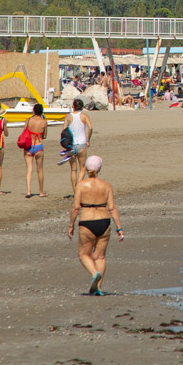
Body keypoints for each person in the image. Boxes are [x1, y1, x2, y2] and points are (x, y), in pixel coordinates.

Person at [68, 155, 123, 296]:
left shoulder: (81, 185)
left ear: (86, 168)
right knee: (100, 257)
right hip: (104, 221)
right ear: (100, 169)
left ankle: (94, 274)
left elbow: (75, 207)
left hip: (87, 221)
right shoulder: (107, 186)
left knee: (83, 254)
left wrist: (71, 225)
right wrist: (119, 228)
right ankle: (97, 288)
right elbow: (112, 208)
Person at [65, 98, 93, 189]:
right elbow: (90, 128)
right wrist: (88, 139)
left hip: (71, 144)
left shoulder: (68, 116)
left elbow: (64, 130)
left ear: (73, 106)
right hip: (81, 143)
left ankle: (75, 190)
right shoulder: (84, 116)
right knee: (83, 167)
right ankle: (79, 183)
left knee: (73, 169)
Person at [22, 103, 48, 198]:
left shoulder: (28, 120)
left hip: (28, 146)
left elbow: (25, 131)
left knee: (29, 169)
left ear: (33, 110)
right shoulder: (44, 122)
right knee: (40, 170)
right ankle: (41, 192)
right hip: (38, 145)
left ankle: (28, 191)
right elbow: (44, 136)